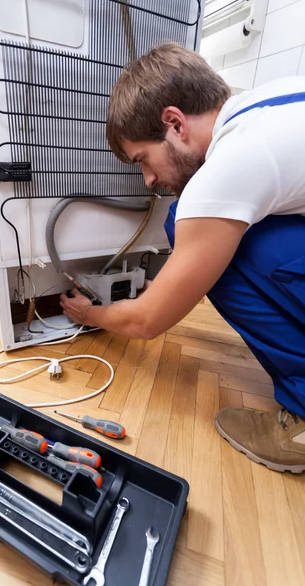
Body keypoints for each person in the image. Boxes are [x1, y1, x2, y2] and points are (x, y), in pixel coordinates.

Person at [59, 43, 305, 474]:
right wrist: (182, 278)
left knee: (191, 222)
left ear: (174, 123)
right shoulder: (268, 107)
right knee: (220, 229)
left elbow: (146, 322)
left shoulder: (232, 163)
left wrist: (90, 316)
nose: (149, 179)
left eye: (143, 160)